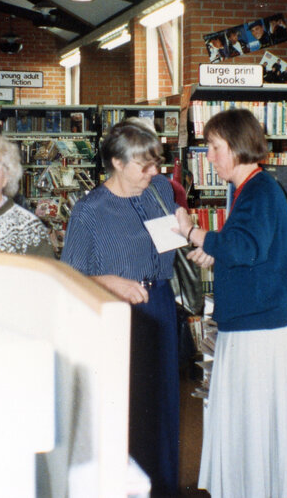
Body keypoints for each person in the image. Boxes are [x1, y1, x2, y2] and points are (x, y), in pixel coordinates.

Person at [174, 108, 287, 498]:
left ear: (235, 147)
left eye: (214, 147)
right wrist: (215, 252)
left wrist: (193, 231)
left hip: (258, 332)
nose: (211, 157)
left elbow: (245, 247)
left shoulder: (258, 190)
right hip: (254, 327)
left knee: (251, 431)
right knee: (251, 433)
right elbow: (250, 249)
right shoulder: (249, 189)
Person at [60, 120, 179, 497]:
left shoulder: (159, 190)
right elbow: (69, 275)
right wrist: (111, 281)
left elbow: (172, 232)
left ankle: (163, 489)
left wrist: (185, 222)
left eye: (155, 163)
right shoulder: (90, 211)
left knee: (162, 410)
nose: (154, 172)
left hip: (159, 306)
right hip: (118, 313)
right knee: (127, 411)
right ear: (117, 162)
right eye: (144, 165)